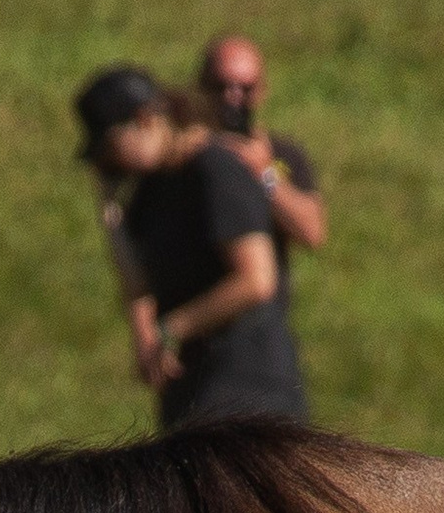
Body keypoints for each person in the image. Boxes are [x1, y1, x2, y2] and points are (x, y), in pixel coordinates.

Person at [74, 65, 310, 429]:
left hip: (247, 386)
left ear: (144, 119)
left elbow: (257, 280)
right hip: (193, 391)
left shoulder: (214, 171)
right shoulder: (150, 193)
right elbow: (140, 284)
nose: (109, 163)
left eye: (110, 147)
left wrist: (173, 328)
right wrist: (112, 217)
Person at [195, 36, 327, 267]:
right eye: (220, 86)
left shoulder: (282, 155)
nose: (232, 97)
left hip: (263, 301)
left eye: (245, 88)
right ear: (202, 86)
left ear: (261, 91)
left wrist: (264, 175)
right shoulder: (185, 154)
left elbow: (312, 232)